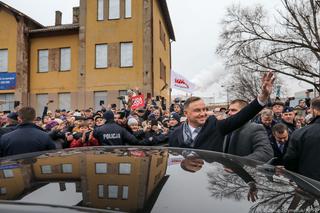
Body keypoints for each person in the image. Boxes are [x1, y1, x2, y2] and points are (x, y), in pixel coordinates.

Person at [169, 72, 275, 151]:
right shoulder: (175, 133)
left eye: (204, 109)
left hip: (208, 179)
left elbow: (243, 115)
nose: (203, 113)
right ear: (186, 113)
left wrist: (263, 96)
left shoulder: (215, 126)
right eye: (197, 110)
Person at [284, 97, 320, 181]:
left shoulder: (300, 133)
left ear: (314, 110)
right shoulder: (300, 133)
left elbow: (289, 162)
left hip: (309, 186)